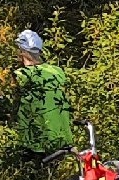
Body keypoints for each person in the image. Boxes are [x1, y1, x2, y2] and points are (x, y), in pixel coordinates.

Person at [11, 29, 76, 158]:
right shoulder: (56, 72)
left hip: (33, 142)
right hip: (61, 139)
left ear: (21, 51)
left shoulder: (21, 76)